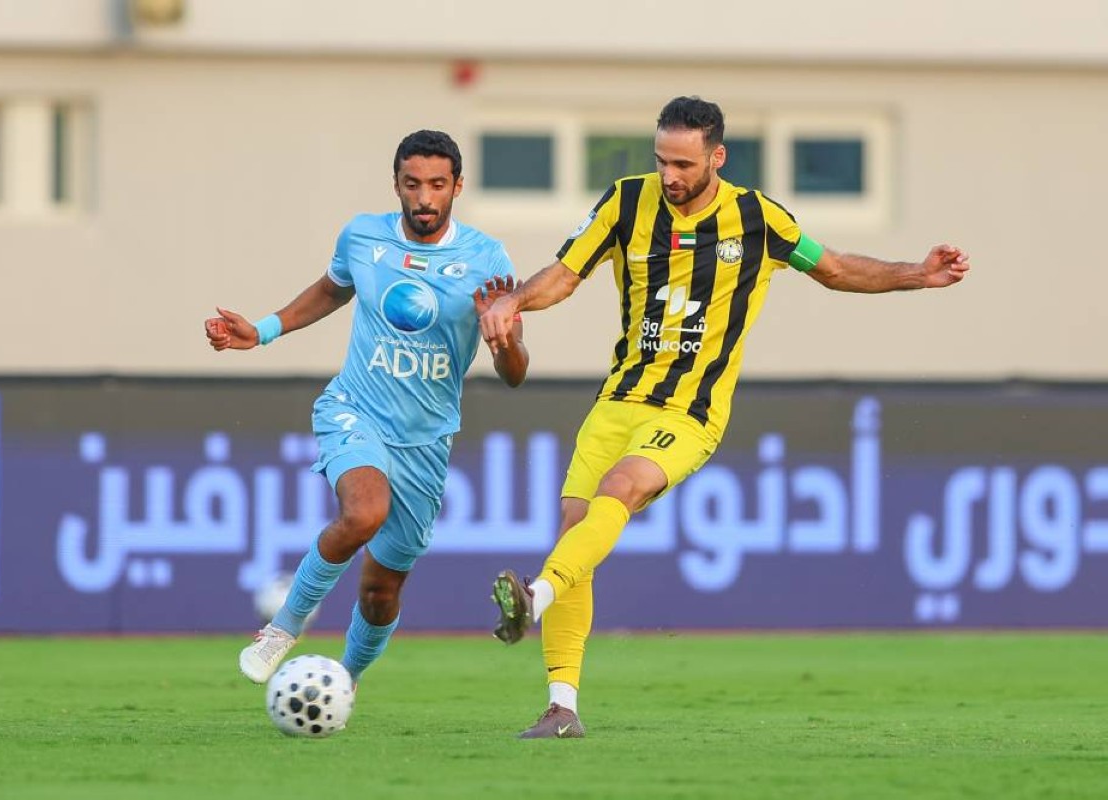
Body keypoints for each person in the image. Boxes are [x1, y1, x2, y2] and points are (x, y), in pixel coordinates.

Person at [479, 96, 971, 739]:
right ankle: (562, 707)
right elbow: (566, 275)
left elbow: (835, 269)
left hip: (691, 410)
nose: (669, 175)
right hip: (619, 399)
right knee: (576, 529)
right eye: (662, 161)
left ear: (717, 157)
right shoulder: (625, 202)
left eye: (683, 164)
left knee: (620, 489)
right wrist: (515, 301)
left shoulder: (758, 218)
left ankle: (536, 597)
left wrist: (918, 274)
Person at [205, 130, 528, 689]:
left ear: (457, 186)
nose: (424, 198)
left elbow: (515, 372)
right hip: (356, 409)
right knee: (363, 514)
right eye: (412, 184)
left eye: (437, 185)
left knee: (381, 594)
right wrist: (262, 330)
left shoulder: (487, 258)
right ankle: (282, 629)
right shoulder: (363, 236)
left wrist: (500, 339)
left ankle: (343, 681)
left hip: (426, 440)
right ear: (396, 185)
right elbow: (333, 289)